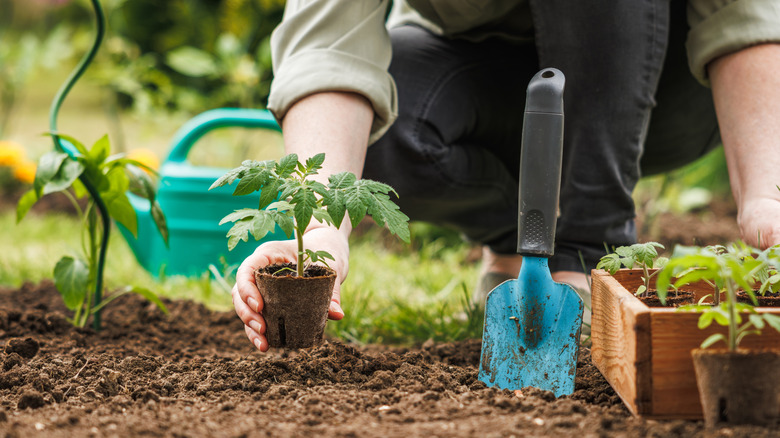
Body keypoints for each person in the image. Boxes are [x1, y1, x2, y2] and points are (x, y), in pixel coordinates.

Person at [233, 0, 780, 352]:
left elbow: (746, 16)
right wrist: (326, 232)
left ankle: (587, 253)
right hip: (486, 75)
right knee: (391, 129)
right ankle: (523, 246)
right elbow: (328, 45)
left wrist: (765, 196)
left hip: (666, 87)